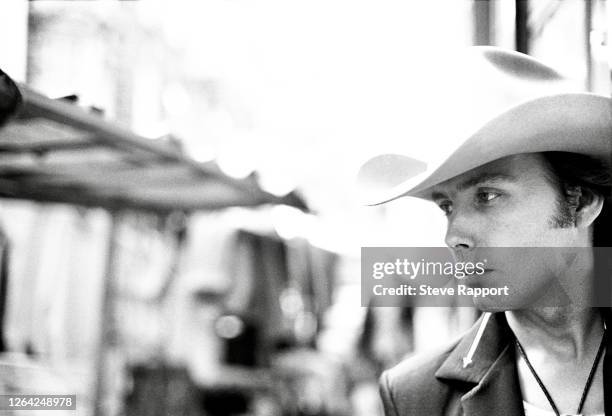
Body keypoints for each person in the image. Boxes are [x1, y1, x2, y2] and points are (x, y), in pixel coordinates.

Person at [357, 47, 612, 415]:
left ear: (582, 202)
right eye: (446, 206)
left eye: (487, 196)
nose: (453, 236)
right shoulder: (416, 396)